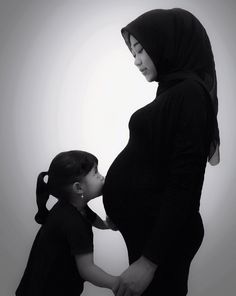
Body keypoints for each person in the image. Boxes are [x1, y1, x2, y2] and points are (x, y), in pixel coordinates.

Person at [103, 8, 220, 296]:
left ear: (166, 44)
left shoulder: (190, 95)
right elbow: (155, 165)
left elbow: (185, 183)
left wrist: (148, 262)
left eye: (141, 50)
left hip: (163, 245)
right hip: (151, 234)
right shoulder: (172, 92)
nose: (135, 61)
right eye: (133, 52)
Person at [15, 150, 119, 296]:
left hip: (37, 287)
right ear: (78, 188)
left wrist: (106, 225)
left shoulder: (72, 207)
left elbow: (92, 218)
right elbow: (87, 270)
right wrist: (115, 282)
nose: (102, 177)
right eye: (96, 173)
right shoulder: (73, 222)